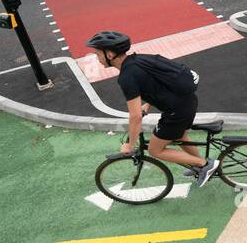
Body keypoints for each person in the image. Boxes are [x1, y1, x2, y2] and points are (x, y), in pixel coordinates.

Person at [86, 31, 219, 188]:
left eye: (97, 53)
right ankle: (198, 167)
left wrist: (130, 145)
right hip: (187, 101)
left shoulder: (127, 77)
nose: (97, 57)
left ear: (109, 54)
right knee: (179, 136)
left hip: (177, 111)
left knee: (155, 150)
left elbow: (135, 116)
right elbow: (157, 83)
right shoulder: (138, 60)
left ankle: (204, 164)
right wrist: (148, 104)